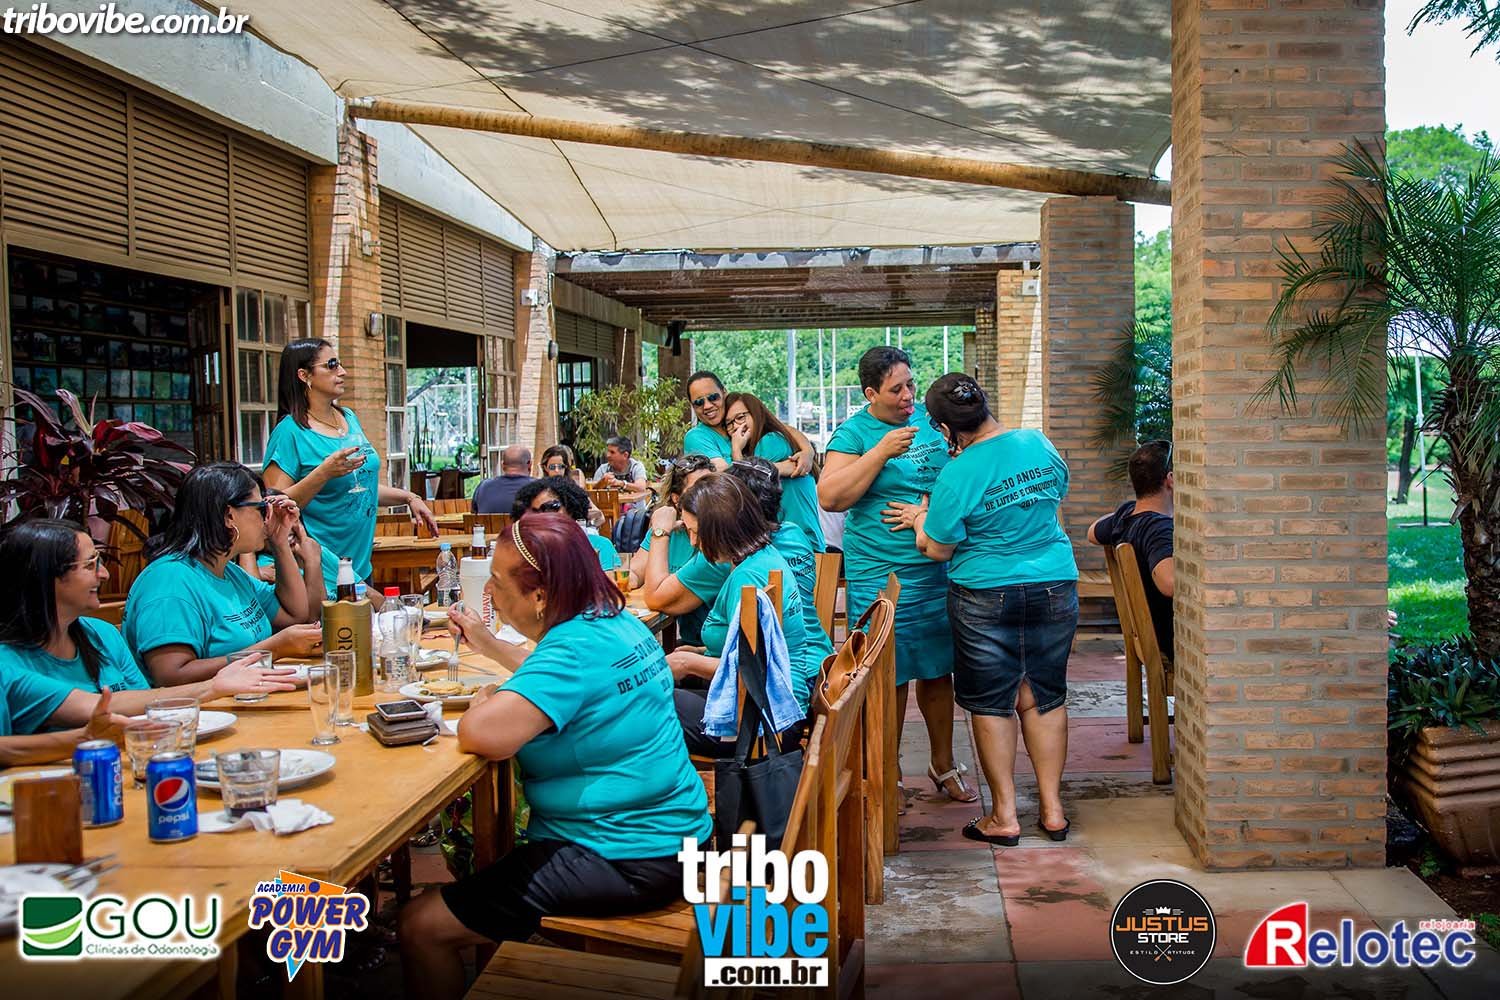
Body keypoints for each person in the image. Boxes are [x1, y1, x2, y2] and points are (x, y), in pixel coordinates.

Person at [398, 515, 711, 1000]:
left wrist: (484, 701)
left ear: (540, 596)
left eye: (497, 583)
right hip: (677, 835)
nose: (490, 594)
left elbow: (483, 735)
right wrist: (489, 644)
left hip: (626, 856)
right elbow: (567, 680)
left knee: (421, 924)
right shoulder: (613, 622)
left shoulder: (571, 651)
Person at [900, 373, 1078, 845]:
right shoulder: (1038, 443)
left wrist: (919, 517)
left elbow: (937, 548)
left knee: (993, 703)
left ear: (945, 429)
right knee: (1044, 695)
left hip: (985, 593)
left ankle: (1004, 817)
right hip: (1054, 582)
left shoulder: (957, 473)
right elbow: (1057, 493)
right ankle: (1053, 811)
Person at [817, 347, 974, 804]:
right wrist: (881, 452)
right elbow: (830, 497)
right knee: (890, 675)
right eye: (896, 389)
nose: (908, 396)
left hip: (936, 567)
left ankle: (943, 764)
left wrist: (931, 507)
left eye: (910, 384)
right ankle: (889, 771)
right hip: (879, 572)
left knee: (938, 671)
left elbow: (960, 471)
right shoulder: (854, 434)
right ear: (871, 393)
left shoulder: (930, 420)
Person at [0, 519, 295, 734]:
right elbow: (103, 706)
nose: (104, 574)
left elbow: (148, 705)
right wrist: (213, 686)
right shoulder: (8, 662)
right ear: (44, 577)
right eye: (90, 565)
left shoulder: (101, 635)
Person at [641, 474, 813, 756]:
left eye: (696, 532)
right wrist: (700, 651)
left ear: (720, 529)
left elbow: (752, 670)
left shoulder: (748, 578)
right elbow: (753, 647)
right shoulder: (762, 556)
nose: (693, 542)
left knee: (641, 702)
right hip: (777, 706)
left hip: (763, 721)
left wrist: (687, 662)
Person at [262, 338, 438, 597]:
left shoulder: (348, 418)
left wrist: (409, 497)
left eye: (340, 364)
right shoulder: (289, 432)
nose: (342, 372)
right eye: (332, 365)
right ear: (304, 375)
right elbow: (274, 505)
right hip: (319, 567)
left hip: (360, 562)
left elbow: (359, 484)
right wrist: (324, 472)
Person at [125, 463, 324, 684]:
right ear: (229, 516)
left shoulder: (228, 571)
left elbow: (294, 615)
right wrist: (273, 650)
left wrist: (279, 540)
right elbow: (171, 675)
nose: (267, 519)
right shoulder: (169, 582)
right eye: (261, 509)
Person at [725, 457, 836, 661]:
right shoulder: (794, 533)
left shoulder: (734, 555)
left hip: (783, 665)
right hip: (819, 652)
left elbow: (665, 598)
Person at [1089, 440, 1174, 659]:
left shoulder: (1127, 515)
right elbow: (1169, 584)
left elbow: (1092, 532)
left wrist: (1127, 509)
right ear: (1171, 480)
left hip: (1147, 637)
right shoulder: (1159, 529)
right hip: (1170, 642)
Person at [723, 392, 823, 551]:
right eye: (729, 423)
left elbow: (746, 489)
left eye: (740, 417)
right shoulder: (776, 438)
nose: (735, 426)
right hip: (803, 543)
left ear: (756, 414)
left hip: (794, 546)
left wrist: (736, 450)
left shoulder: (770, 441)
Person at [631, 454, 714, 645]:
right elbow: (634, 572)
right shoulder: (666, 529)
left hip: (709, 647)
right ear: (676, 499)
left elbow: (657, 599)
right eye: (698, 489)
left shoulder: (715, 540)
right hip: (693, 642)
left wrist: (660, 534)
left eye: (710, 485)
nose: (708, 495)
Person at [512, 477, 620, 571]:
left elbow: (612, 583)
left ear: (571, 509)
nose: (544, 516)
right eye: (535, 512)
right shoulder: (523, 552)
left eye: (552, 507)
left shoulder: (599, 546)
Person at [540, 444, 606, 528]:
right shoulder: (540, 490)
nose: (557, 470)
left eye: (561, 466)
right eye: (552, 467)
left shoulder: (574, 490)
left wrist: (587, 526)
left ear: (566, 467)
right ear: (545, 468)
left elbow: (601, 518)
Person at [682, 370, 733, 468]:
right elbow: (725, 474)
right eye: (699, 403)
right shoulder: (696, 437)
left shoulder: (743, 426)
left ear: (724, 393)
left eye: (713, 397)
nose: (707, 406)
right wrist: (737, 449)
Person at [591, 436, 652, 512]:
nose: (607, 455)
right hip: (610, 513)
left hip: (634, 513)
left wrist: (621, 483)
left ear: (625, 455)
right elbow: (592, 493)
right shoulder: (603, 469)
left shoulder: (636, 467)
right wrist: (602, 482)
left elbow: (641, 487)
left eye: (612, 452)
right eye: (608, 451)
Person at [472, 445, 536, 516]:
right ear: (529, 464)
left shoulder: (483, 487)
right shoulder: (540, 488)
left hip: (490, 523)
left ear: (502, 465)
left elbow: (474, 516)